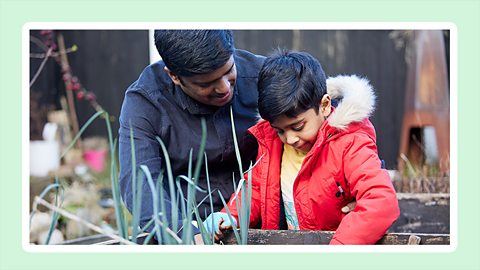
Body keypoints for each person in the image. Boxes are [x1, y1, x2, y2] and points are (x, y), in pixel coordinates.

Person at [204, 50, 400, 244]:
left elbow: (380, 201)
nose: (289, 139)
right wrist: (231, 215)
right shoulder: (272, 143)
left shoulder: (349, 143)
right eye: (280, 130)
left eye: (297, 127)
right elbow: (255, 189)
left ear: (324, 105)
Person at [118, 30, 265, 243]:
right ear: (174, 76)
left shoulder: (263, 75)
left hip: (259, 217)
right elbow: (139, 184)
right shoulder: (146, 102)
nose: (224, 87)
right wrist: (187, 236)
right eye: (206, 84)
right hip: (187, 222)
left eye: (229, 70)